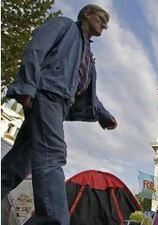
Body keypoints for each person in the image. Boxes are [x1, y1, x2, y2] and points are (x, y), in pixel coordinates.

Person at [1, 4, 117, 225]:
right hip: (47, 95)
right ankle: (54, 220)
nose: (105, 24)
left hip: (60, 104)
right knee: (52, 156)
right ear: (86, 14)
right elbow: (36, 48)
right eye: (101, 17)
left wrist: (104, 115)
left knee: (20, 161)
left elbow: (88, 93)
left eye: (107, 22)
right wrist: (27, 85)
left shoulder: (88, 55)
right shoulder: (64, 26)